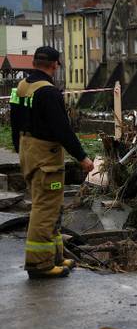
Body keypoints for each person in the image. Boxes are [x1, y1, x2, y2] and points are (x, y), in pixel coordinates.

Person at [10, 46, 94, 279]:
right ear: (55, 65)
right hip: (46, 157)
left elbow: (15, 122)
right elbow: (62, 130)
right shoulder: (49, 92)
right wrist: (82, 157)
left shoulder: (21, 87)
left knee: (52, 206)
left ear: (34, 63)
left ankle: (55, 256)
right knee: (45, 208)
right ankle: (39, 264)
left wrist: (21, 149)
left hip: (28, 152)